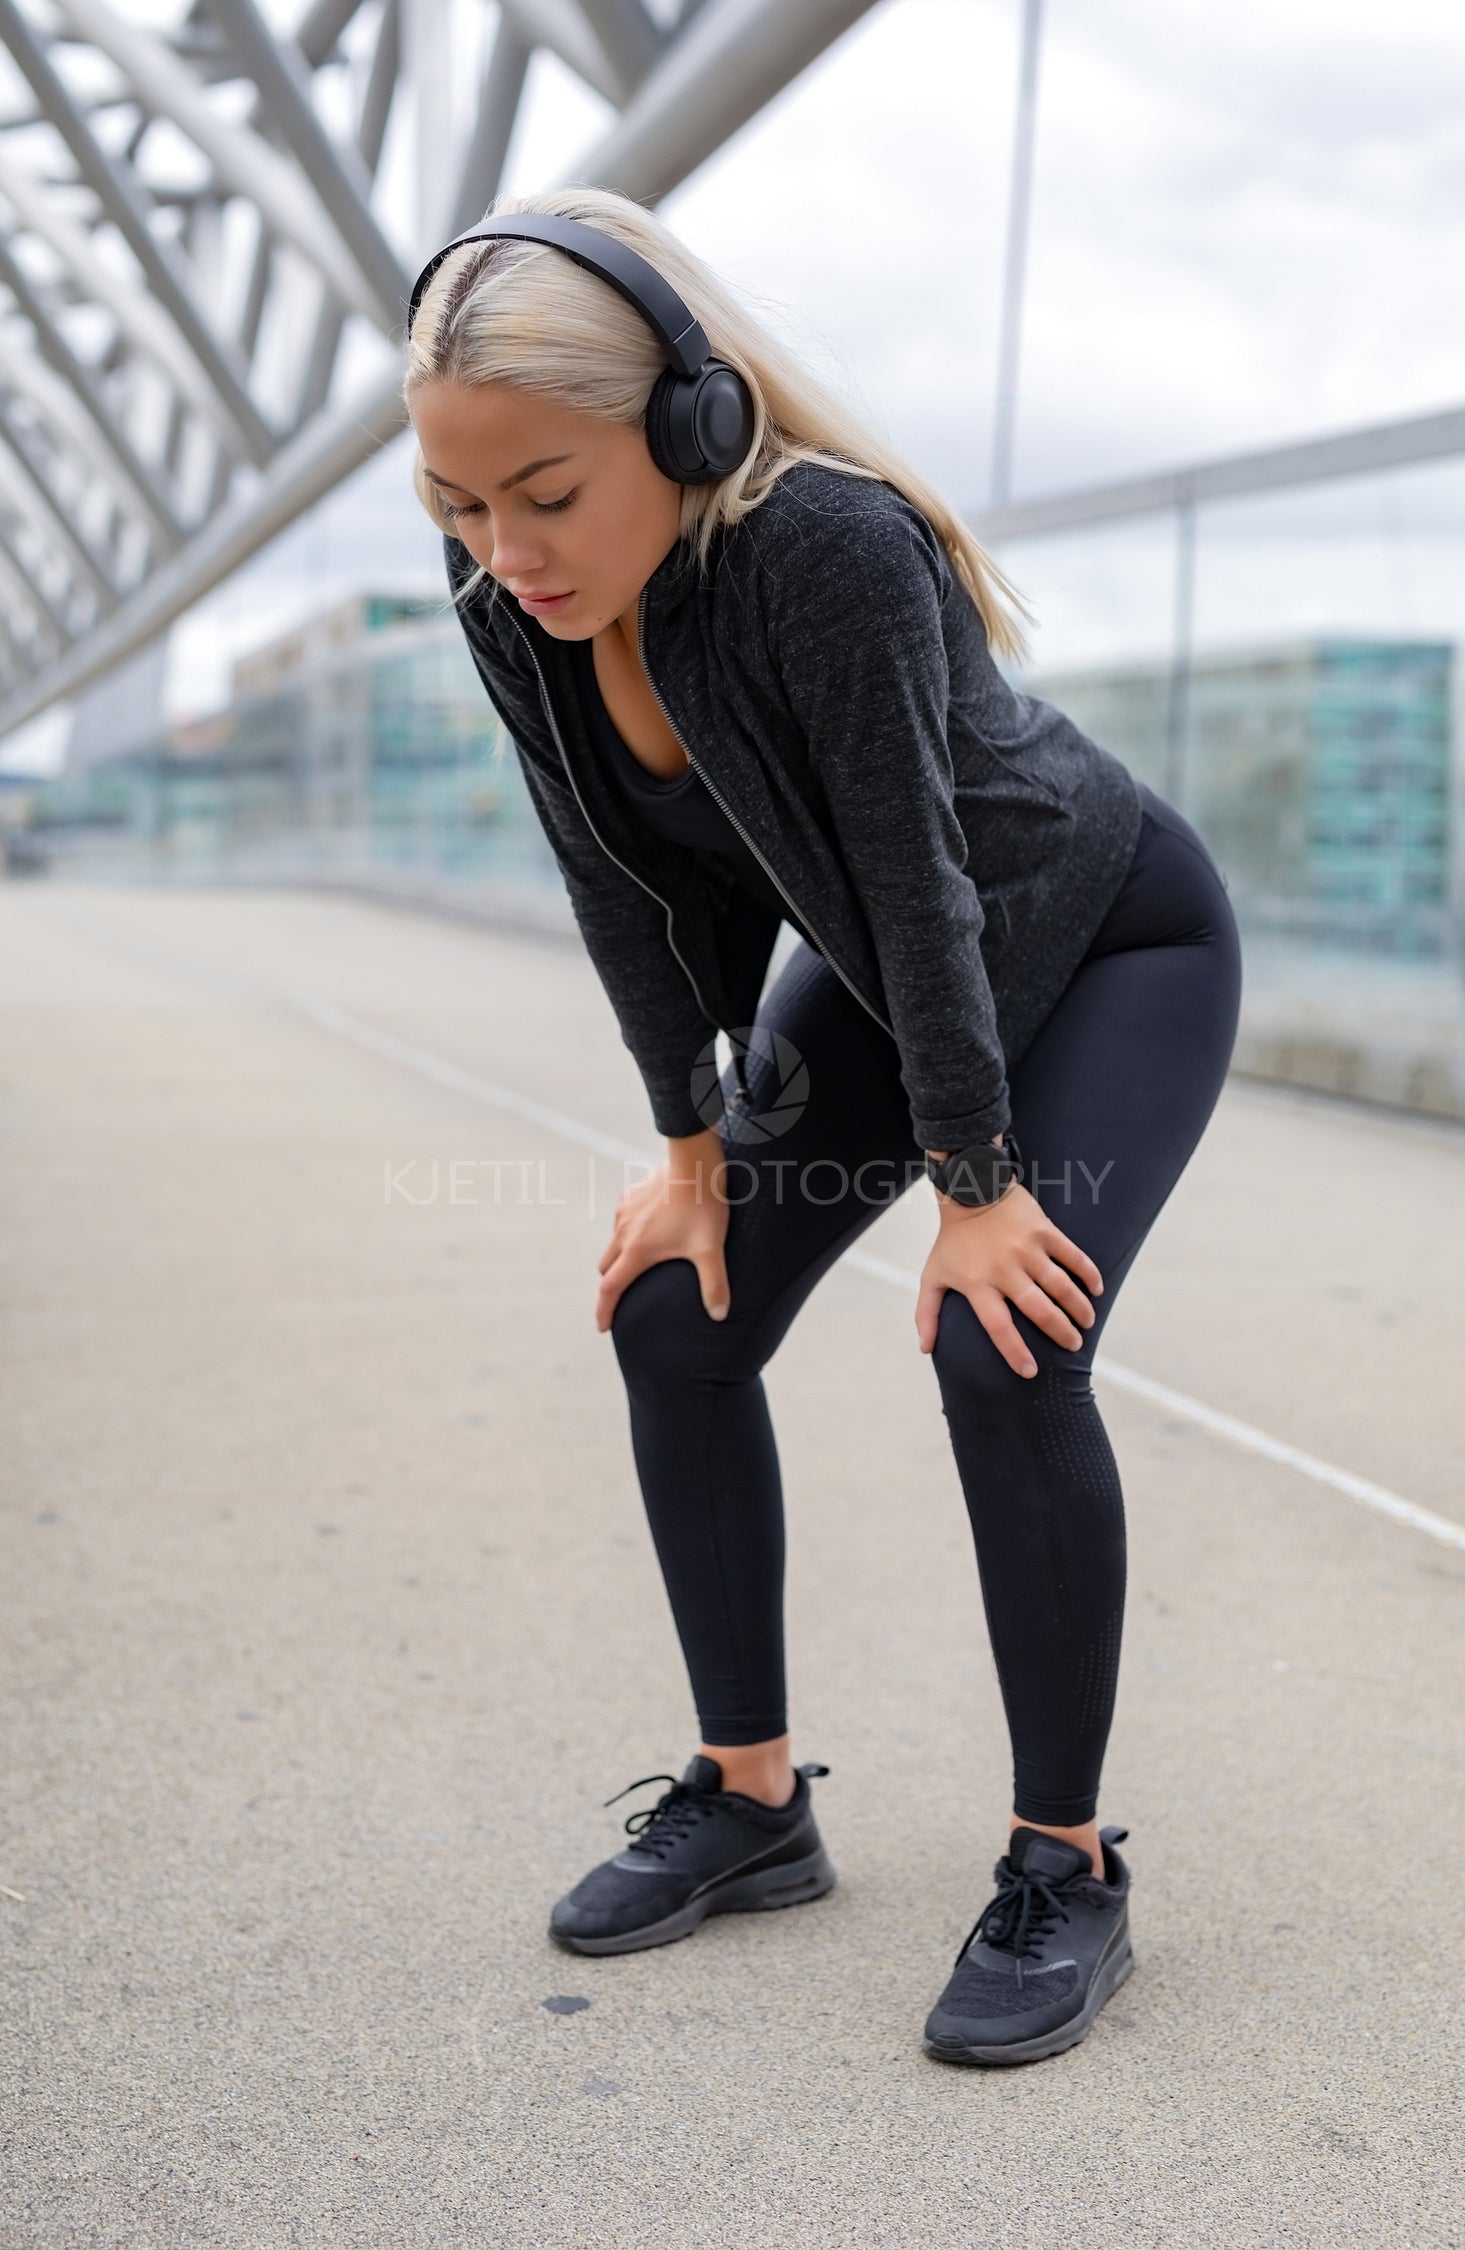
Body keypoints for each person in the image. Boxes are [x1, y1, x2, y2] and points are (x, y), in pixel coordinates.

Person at [403, 186, 1242, 2067]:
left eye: (545, 490)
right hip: (889, 980)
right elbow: (615, 885)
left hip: (1108, 939)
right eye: (460, 505)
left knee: (1002, 1337)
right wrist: (687, 1158)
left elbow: (919, 879)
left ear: (685, 423)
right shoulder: (511, 609)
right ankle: (754, 1799)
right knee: (671, 1315)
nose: (506, 546)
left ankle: (1068, 1865)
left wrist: (978, 1187)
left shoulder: (830, 551)